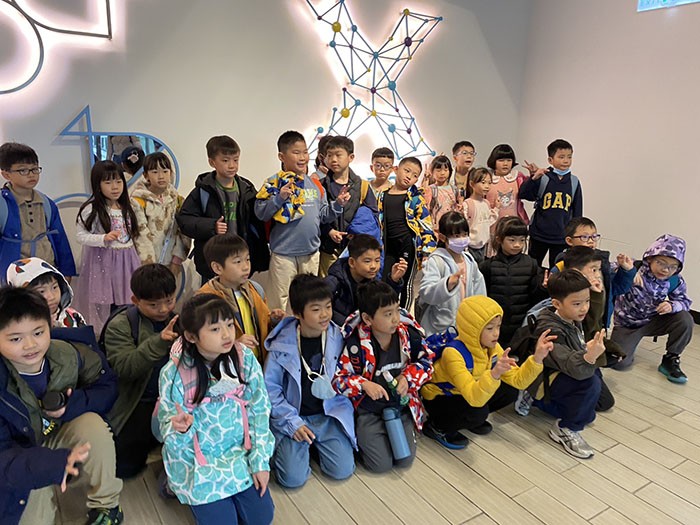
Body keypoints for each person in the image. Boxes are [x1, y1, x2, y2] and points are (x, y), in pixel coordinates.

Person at [0, 286, 123, 525]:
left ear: (50, 326)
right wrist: (53, 464)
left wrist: (72, 404)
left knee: (93, 425)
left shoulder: (69, 354)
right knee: (30, 513)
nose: (30, 345)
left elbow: (108, 387)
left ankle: (106, 506)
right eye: (15, 338)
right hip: (21, 455)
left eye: (38, 332)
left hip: (57, 431)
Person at [157, 294, 274, 525]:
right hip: (198, 463)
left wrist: (260, 462)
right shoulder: (173, 374)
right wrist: (180, 430)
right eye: (215, 329)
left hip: (239, 453)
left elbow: (260, 410)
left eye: (229, 325)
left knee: (261, 519)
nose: (227, 334)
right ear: (191, 336)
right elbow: (169, 431)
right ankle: (169, 482)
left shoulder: (244, 359)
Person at [421, 295, 554, 449]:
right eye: (490, 328)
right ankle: (437, 426)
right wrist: (494, 374)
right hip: (440, 396)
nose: (496, 333)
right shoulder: (453, 353)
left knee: (510, 391)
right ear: (472, 330)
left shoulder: (493, 347)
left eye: (498, 326)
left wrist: (537, 358)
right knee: (478, 412)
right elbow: (474, 398)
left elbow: (519, 381)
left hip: (468, 391)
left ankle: (469, 419)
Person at [263, 274, 355, 487]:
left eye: (328, 307)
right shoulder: (281, 345)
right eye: (316, 309)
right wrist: (292, 423)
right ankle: (299, 448)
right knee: (292, 480)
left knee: (342, 470)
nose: (325, 314)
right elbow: (270, 390)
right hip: (294, 415)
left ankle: (314, 446)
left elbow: (347, 376)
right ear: (297, 313)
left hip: (328, 414)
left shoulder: (338, 337)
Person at [334, 281, 434, 473]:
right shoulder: (355, 346)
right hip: (368, 411)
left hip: (400, 407)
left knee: (405, 459)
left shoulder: (408, 336)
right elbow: (339, 379)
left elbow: (427, 363)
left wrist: (408, 378)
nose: (396, 318)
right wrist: (363, 384)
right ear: (367, 318)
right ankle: (362, 439)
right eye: (388, 314)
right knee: (380, 465)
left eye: (397, 310)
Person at [255, 130, 350, 311]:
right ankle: (280, 331)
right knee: (280, 304)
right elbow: (261, 213)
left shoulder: (315, 185)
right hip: (283, 255)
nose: (302, 157)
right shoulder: (273, 182)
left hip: (311, 254)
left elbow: (323, 216)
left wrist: (338, 204)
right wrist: (279, 198)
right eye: (296, 152)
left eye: (305, 152)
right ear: (281, 156)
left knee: (308, 302)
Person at [103, 264, 179, 479]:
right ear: (135, 300)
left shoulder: (178, 320)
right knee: (125, 469)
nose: (163, 309)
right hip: (137, 402)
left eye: (169, 301)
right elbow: (125, 368)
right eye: (153, 304)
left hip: (172, 402)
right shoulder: (122, 325)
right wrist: (159, 342)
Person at [526, 270, 608, 459]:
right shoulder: (550, 330)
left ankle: (569, 410)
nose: (584, 308)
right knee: (591, 383)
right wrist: (589, 356)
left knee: (602, 400)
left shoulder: (570, 316)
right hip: (544, 383)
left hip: (563, 372)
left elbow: (592, 324)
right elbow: (574, 367)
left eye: (587, 301)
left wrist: (597, 296)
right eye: (577, 303)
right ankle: (565, 428)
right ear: (557, 304)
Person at [177, 135, 270, 282]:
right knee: (213, 296)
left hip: (241, 258)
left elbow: (258, 219)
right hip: (214, 260)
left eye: (236, 160)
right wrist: (211, 226)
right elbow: (185, 220)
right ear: (212, 162)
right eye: (225, 161)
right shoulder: (203, 191)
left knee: (240, 294)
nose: (232, 165)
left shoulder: (247, 189)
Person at [611, 234, 693, 383]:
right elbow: (606, 271)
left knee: (685, 319)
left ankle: (671, 358)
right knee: (619, 363)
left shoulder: (675, 280)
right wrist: (626, 271)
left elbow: (685, 301)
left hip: (653, 320)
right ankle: (625, 346)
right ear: (650, 258)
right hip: (628, 324)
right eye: (661, 263)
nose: (666, 270)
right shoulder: (635, 267)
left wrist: (672, 305)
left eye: (673, 267)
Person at [74, 160, 141, 333]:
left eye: (118, 181)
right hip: (103, 263)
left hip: (128, 261)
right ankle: (107, 334)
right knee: (106, 302)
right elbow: (80, 236)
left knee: (128, 299)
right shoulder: (91, 209)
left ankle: (126, 333)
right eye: (108, 182)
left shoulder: (129, 206)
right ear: (97, 185)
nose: (115, 187)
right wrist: (103, 238)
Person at [197, 234, 284, 365]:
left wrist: (273, 320)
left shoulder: (255, 289)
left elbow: (262, 323)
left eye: (247, 259)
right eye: (238, 262)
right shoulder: (205, 299)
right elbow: (202, 342)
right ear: (217, 268)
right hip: (227, 368)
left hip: (257, 365)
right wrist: (234, 345)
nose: (246, 266)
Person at [0, 142, 76, 281]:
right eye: (23, 170)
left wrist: (67, 271)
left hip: (47, 269)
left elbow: (60, 239)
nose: (31, 175)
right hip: (14, 275)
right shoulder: (3, 204)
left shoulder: (47, 203)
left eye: (35, 169)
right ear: (6, 174)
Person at [554, 216, 636, 330]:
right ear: (569, 241)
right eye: (584, 237)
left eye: (594, 236)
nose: (591, 241)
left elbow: (617, 288)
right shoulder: (562, 265)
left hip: (599, 322)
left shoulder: (601, 263)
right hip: (576, 324)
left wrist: (626, 271)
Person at [377, 157, 437, 309]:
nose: (409, 176)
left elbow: (426, 225)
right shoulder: (383, 195)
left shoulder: (416, 198)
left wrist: (427, 251)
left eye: (415, 175)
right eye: (407, 171)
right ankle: (386, 311)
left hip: (408, 246)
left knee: (406, 284)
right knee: (385, 280)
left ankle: (405, 315)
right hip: (388, 247)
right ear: (396, 169)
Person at [480, 216, 546, 346]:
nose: (517, 245)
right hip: (495, 323)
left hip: (521, 324)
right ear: (499, 239)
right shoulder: (487, 266)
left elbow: (536, 298)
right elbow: (483, 295)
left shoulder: (531, 264)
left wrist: (543, 288)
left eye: (522, 240)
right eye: (512, 240)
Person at [418, 212, 485, 336]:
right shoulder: (436, 261)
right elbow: (426, 292)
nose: (462, 239)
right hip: (440, 326)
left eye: (465, 234)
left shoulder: (469, 260)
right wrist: (447, 285)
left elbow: (479, 290)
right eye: (456, 236)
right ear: (443, 237)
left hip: (465, 324)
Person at [319, 136, 378, 277]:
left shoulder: (362, 186)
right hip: (329, 249)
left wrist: (357, 233)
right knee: (329, 286)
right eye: (329, 155)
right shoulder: (321, 185)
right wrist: (329, 231)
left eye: (338, 155)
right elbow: (316, 216)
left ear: (351, 157)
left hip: (356, 251)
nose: (333, 160)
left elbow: (373, 215)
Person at [519, 139, 583, 267]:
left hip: (561, 237)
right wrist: (533, 178)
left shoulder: (574, 182)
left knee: (558, 268)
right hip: (539, 234)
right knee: (533, 266)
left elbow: (577, 211)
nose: (566, 161)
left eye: (569, 157)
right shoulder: (543, 177)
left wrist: (575, 235)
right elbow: (524, 195)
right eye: (561, 157)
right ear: (550, 160)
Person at [325, 234, 406, 326]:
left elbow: (384, 303)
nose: (373, 266)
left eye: (377, 260)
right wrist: (348, 325)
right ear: (352, 262)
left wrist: (394, 280)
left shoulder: (372, 281)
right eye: (367, 261)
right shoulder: (333, 282)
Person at [131, 152, 191, 276]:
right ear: (146, 175)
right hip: (145, 264)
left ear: (171, 173)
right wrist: (149, 264)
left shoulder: (177, 199)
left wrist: (177, 260)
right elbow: (140, 234)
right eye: (154, 172)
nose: (161, 176)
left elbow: (184, 231)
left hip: (171, 262)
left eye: (165, 171)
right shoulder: (137, 200)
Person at [6, 257, 86, 328]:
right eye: (41, 291)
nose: (51, 296)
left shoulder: (74, 317)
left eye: (54, 287)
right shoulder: (14, 325)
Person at [485, 144, 529, 224]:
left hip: (513, 224)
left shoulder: (518, 177)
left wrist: (533, 176)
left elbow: (530, 193)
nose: (505, 164)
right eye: (501, 160)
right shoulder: (486, 178)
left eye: (509, 160)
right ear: (494, 161)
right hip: (491, 224)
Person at [462, 166, 498, 263]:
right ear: (472, 184)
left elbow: (489, 221)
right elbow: (464, 226)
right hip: (470, 247)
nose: (487, 186)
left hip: (483, 246)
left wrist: (497, 208)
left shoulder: (486, 203)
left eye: (489, 183)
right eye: (483, 182)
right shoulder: (467, 204)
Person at [424, 155, 460, 234]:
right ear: (432, 171)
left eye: (445, 170)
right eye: (438, 170)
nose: (442, 173)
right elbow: (426, 207)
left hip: (452, 226)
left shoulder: (454, 189)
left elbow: (457, 206)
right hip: (436, 228)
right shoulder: (431, 189)